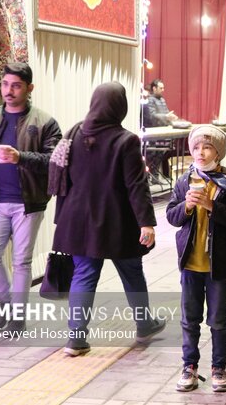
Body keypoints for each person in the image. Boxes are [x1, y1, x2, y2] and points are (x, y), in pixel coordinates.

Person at [50, 81, 165, 357]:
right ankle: (144, 323)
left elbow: (61, 174)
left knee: (85, 275)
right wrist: (146, 223)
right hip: (117, 223)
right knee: (132, 273)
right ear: (120, 106)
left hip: (78, 220)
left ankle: (76, 338)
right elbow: (136, 185)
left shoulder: (75, 133)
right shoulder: (126, 141)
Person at [0, 62, 62, 332]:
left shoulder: (45, 122)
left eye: (16, 85)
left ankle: (17, 317)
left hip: (28, 203)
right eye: (5, 84)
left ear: (29, 88)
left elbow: (55, 160)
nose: (8, 90)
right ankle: (5, 302)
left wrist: (20, 157)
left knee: (21, 261)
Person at [166, 125, 226, 392]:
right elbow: (171, 216)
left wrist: (212, 207)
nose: (201, 152)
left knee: (218, 319)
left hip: (217, 265)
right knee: (189, 319)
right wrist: (187, 206)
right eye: (197, 147)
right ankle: (189, 366)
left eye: (208, 147)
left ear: (219, 151)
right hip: (190, 262)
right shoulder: (184, 181)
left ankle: (219, 368)